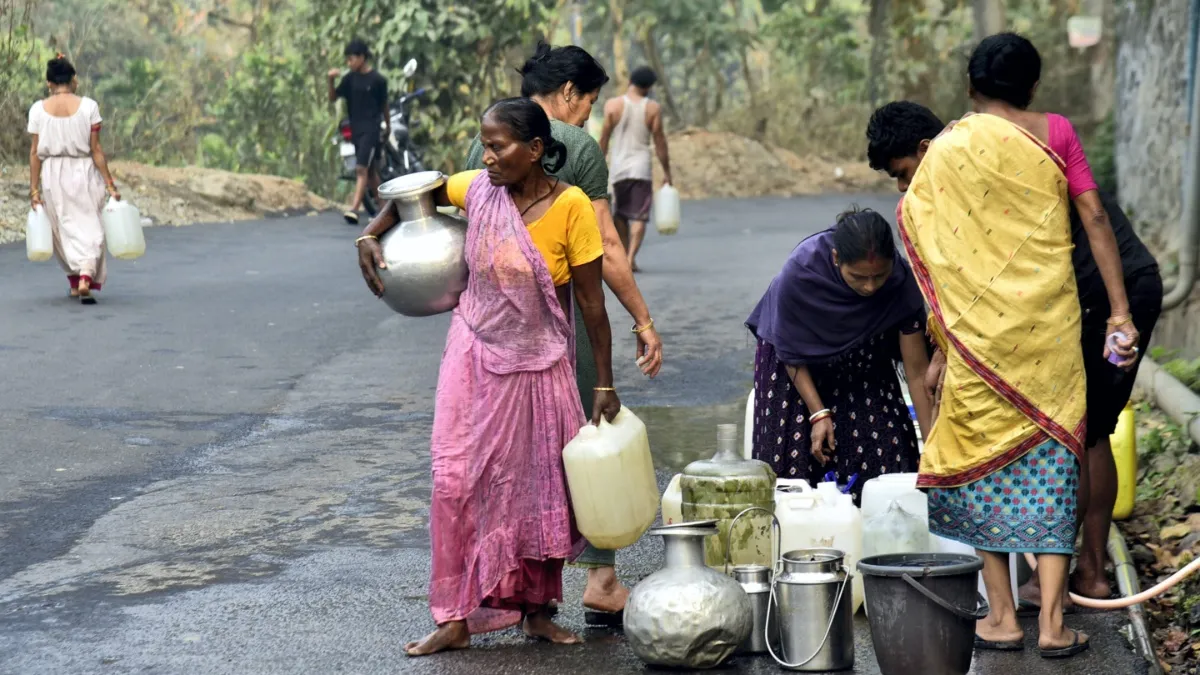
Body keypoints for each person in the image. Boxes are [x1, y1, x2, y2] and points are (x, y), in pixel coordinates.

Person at [365, 41, 661, 625]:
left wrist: (605, 382)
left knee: (534, 481)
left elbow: (590, 303)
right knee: (456, 477)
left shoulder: (568, 201)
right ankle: (454, 615)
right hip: (474, 354)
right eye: (485, 146)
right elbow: (419, 191)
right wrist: (370, 233)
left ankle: (536, 610)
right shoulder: (480, 186)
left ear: (533, 148)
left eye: (497, 147)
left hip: (541, 359)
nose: (488, 155)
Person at [889, 33, 1143, 659]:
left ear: (971, 88)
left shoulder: (948, 147)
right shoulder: (1055, 131)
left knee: (983, 463)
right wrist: (1118, 311)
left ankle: (1002, 616)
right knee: (1054, 462)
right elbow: (1095, 219)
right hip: (1048, 333)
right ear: (1031, 85)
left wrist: (944, 344)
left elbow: (929, 237)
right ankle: (1055, 625)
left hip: (977, 341)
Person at [745, 208, 933, 503]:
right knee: (798, 475)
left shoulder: (900, 281)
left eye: (879, 276)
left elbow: (918, 373)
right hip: (794, 365)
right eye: (858, 277)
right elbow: (789, 349)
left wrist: (935, 453)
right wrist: (819, 413)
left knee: (887, 456)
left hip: (863, 360)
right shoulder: (801, 272)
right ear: (836, 259)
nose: (870, 287)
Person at [28, 53, 121, 305]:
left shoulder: (37, 110)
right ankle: (85, 277)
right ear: (74, 79)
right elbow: (96, 151)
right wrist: (110, 184)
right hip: (83, 171)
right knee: (91, 225)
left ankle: (75, 279)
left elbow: (35, 152)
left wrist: (34, 190)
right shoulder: (89, 106)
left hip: (51, 175)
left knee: (63, 228)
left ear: (49, 83)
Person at [599, 65, 672, 272]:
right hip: (641, 167)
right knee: (639, 215)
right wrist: (667, 172)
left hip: (618, 167)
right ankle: (631, 257)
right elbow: (660, 142)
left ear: (631, 81)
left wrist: (598, 163)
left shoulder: (612, 105)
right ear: (649, 86)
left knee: (620, 214)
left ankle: (624, 258)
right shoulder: (652, 108)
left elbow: (603, 138)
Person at [328, 38, 388, 225]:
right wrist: (330, 80)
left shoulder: (378, 80)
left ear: (362, 57)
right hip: (356, 130)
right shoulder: (349, 80)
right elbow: (333, 97)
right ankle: (385, 210)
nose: (349, 63)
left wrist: (388, 126)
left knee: (361, 168)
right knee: (370, 173)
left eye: (352, 58)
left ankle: (354, 208)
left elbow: (384, 105)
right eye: (347, 60)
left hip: (371, 129)